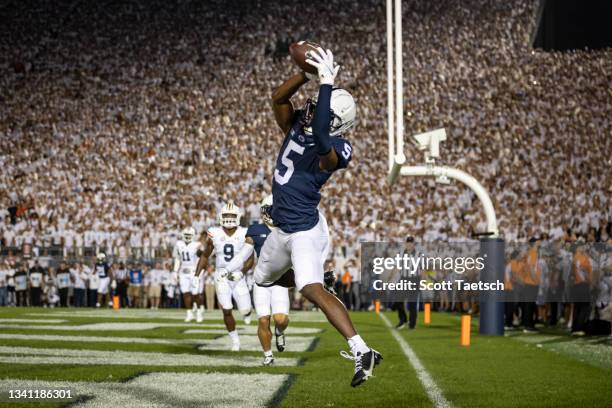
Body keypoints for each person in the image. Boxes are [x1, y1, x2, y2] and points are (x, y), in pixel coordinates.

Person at [251, 48, 380, 387]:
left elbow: (323, 139)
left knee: (309, 288)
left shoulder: (338, 149)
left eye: (317, 107)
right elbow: (277, 97)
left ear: (335, 120)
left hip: (306, 229)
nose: (309, 109)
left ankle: (362, 350)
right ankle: (325, 279)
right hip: (281, 229)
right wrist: (306, 76)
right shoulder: (295, 124)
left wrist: (326, 85)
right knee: (263, 280)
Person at [221, 195, 290, 365]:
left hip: (280, 281)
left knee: (281, 319)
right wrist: (227, 269)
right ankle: (268, 355)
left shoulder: (288, 230)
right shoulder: (255, 230)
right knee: (263, 319)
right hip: (261, 283)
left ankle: (280, 332)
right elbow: (244, 254)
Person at [195, 201, 253, 351]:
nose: (228, 218)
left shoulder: (245, 232)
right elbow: (205, 255)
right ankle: (235, 341)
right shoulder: (215, 232)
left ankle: (247, 313)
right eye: (226, 215)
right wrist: (196, 275)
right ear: (221, 216)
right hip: (221, 276)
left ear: (238, 217)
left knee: (245, 309)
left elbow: (250, 258)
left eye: (231, 215)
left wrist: (242, 273)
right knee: (226, 309)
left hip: (238, 277)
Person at [173, 227, 204, 322]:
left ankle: (199, 311)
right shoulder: (179, 244)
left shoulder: (197, 245)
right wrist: (175, 271)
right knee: (186, 293)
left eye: (189, 235)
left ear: (193, 236)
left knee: (195, 294)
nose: (187, 237)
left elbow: (201, 257)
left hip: (194, 271)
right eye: (186, 235)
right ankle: (189, 313)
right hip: (183, 271)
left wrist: (200, 272)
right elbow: (177, 259)